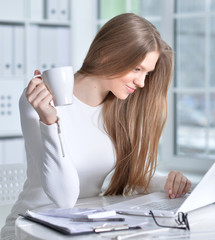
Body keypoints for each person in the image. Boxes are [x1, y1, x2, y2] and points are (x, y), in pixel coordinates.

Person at [1, 13, 192, 239]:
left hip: (82, 227)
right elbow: (64, 197)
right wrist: (50, 121)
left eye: (147, 73)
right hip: (32, 230)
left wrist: (168, 183)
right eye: (137, 69)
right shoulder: (41, 99)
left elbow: (128, 177)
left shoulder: (119, 106)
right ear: (106, 55)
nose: (141, 83)